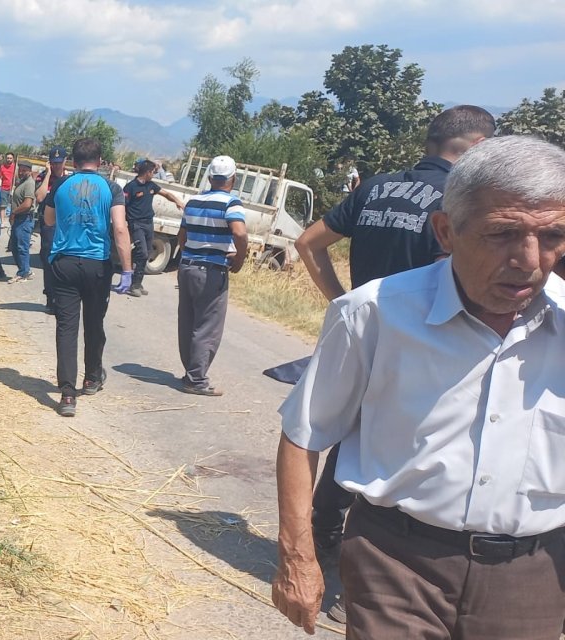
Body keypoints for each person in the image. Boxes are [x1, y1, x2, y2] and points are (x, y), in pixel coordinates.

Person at [271, 135, 565, 638]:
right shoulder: (373, 314)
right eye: (502, 234)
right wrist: (298, 557)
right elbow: (304, 435)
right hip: (397, 564)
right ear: (446, 231)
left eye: (554, 235)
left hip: (534, 577)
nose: (530, 259)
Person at [293, 105, 495, 579]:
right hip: (432, 340)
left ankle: (324, 539)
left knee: (350, 434)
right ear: (479, 149)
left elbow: (307, 243)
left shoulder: (376, 186)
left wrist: (344, 305)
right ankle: (370, 566)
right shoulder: (459, 198)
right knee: (408, 453)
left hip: (368, 334)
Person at [43, 138, 132, 418]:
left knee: (66, 328)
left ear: (72, 161)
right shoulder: (111, 188)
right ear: (101, 160)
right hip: (97, 264)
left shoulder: (60, 185)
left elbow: (47, 220)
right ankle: (92, 378)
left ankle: (67, 395)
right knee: (94, 323)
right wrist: (127, 270)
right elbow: (119, 229)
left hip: (65, 262)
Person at [176, 155, 247, 397]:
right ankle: (196, 379)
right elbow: (239, 232)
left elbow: (181, 236)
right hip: (211, 270)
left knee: (187, 322)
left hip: (187, 266)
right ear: (233, 178)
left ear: (209, 177)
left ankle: (190, 372)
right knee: (207, 326)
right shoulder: (232, 203)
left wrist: (189, 253)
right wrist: (239, 258)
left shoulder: (193, 201)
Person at [123, 159, 184, 296]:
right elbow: (123, 205)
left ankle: (137, 282)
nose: (154, 174)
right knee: (142, 252)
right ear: (147, 172)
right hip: (136, 223)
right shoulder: (130, 187)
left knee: (147, 252)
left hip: (148, 223)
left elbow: (166, 194)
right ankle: (133, 286)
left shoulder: (151, 186)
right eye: (153, 172)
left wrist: (177, 201)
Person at [37, 146, 69, 313]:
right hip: (48, 225)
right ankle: (50, 297)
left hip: (65, 224)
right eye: (53, 163)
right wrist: (48, 174)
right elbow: (40, 197)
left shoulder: (70, 179)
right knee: (49, 259)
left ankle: (62, 298)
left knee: (63, 261)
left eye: (59, 163)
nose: (57, 166)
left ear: (65, 162)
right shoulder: (43, 178)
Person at [9, 161, 37, 282]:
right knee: (15, 247)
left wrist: (14, 212)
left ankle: (23, 273)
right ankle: (24, 270)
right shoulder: (22, 182)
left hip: (24, 218)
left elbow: (27, 204)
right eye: (20, 170)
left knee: (22, 247)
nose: (21, 172)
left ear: (29, 171)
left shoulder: (29, 183)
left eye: (24, 170)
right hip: (19, 219)